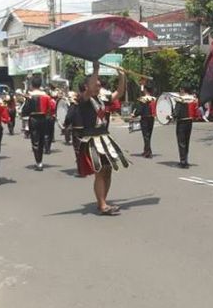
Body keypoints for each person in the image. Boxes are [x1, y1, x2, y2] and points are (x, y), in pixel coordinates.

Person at [76, 66, 128, 215]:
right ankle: (102, 204)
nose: (98, 86)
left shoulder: (102, 99)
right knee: (99, 171)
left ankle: (103, 201)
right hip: (92, 139)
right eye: (96, 84)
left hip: (105, 137)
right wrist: (96, 68)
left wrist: (122, 76)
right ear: (87, 86)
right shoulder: (84, 98)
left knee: (108, 170)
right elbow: (91, 88)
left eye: (99, 85)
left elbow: (119, 93)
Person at [20, 77, 55, 171]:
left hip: (33, 119)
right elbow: (51, 107)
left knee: (35, 140)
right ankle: (40, 160)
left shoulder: (29, 96)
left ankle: (38, 162)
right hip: (43, 118)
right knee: (42, 139)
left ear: (32, 85)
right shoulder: (46, 96)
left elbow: (25, 110)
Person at [172, 86, 199, 168]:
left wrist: (171, 117)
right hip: (189, 122)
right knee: (187, 141)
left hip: (182, 121)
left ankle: (183, 161)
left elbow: (177, 112)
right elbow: (196, 111)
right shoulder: (193, 99)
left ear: (182, 90)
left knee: (181, 142)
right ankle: (186, 160)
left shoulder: (180, 99)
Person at [63, 83, 86, 174]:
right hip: (88, 128)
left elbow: (69, 117)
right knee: (86, 149)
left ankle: (81, 169)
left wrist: (65, 125)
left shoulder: (74, 104)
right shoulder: (89, 102)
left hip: (77, 128)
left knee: (78, 149)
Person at [133, 84, 156, 158]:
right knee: (149, 135)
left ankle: (148, 152)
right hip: (152, 118)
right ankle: (146, 150)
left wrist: (134, 114)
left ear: (145, 90)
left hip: (144, 119)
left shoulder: (142, 99)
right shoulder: (154, 99)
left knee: (145, 135)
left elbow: (139, 109)